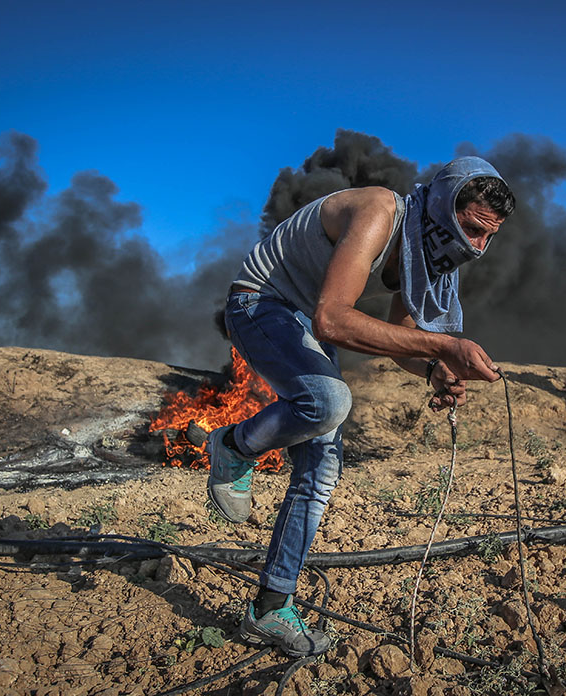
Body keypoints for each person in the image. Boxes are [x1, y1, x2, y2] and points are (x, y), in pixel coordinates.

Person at [192, 157, 515, 657]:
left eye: (487, 237)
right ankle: (232, 446)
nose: (477, 247)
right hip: (263, 304)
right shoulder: (380, 210)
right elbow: (331, 320)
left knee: (322, 467)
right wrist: (442, 347)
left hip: (304, 323)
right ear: (442, 206)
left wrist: (434, 369)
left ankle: (269, 609)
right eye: (472, 229)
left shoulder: (423, 253)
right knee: (327, 400)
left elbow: (403, 340)